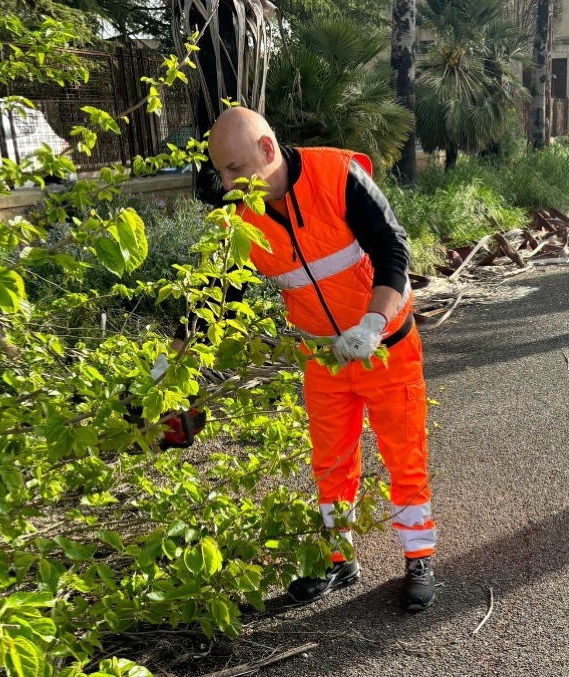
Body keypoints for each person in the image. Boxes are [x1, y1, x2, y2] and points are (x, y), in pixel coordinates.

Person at [178, 106, 436, 611]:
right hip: (322, 359)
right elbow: (214, 298)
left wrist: (373, 323)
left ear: (267, 149)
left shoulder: (337, 176)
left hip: (387, 347)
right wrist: (172, 369)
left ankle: (419, 556)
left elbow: (392, 249)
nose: (227, 184)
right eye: (221, 172)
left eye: (234, 169)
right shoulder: (242, 216)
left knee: (404, 456)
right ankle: (339, 559)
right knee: (332, 465)